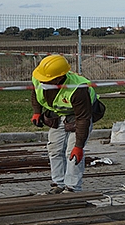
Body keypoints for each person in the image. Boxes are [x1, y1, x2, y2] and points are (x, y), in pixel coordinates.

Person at [31, 54, 98, 194]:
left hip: (79, 116)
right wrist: (37, 111)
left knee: (71, 152)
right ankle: (59, 184)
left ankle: (72, 188)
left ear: (59, 78)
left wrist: (79, 146)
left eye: (47, 80)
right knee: (54, 149)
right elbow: (36, 93)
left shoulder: (78, 89)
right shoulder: (40, 77)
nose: (43, 82)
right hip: (57, 114)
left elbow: (83, 119)